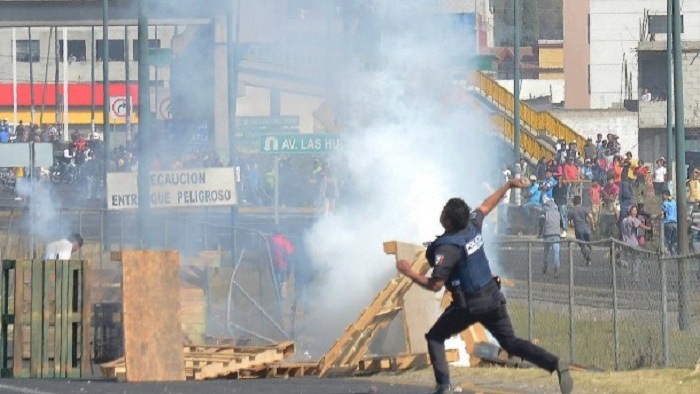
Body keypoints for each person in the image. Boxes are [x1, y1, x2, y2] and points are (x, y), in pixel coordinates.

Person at [395, 179, 573, 394]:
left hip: (469, 305)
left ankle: (443, 385)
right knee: (512, 343)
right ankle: (555, 364)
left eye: (444, 213)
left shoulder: (448, 246)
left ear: (448, 221)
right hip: (492, 297)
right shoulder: (472, 226)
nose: (441, 214)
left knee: (435, 337)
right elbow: (487, 206)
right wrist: (507, 186)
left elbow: (436, 285)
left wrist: (409, 272)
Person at [569, 196, 595, 266]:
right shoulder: (585, 208)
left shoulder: (572, 210)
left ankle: (588, 259)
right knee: (589, 242)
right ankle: (590, 247)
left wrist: (573, 226)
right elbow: (591, 217)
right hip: (586, 228)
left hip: (578, 229)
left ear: (574, 202)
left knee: (582, 245)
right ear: (580, 201)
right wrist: (593, 226)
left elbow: (570, 222)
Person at [269, 228, 294, 297]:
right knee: (283, 280)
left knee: (277, 280)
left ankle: (278, 294)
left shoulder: (272, 239)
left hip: (275, 264)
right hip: (284, 264)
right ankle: (283, 291)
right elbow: (290, 252)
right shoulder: (285, 240)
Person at [542, 195, 562, 277]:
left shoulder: (545, 212)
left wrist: (540, 232)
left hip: (547, 234)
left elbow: (541, 221)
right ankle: (557, 269)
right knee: (556, 253)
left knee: (546, 252)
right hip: (556, 234)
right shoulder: (558, 212)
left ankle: (545, 266)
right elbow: (560, 222)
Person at [659, 190, 678, 256]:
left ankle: (672, 254)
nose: (662, 196)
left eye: (663, 195)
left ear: (666, 196)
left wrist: (656, 217)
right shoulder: (674, 202)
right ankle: (674, 253)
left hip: (668, 222)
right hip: (675, 223)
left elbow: (662, 213)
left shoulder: (664, 203)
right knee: (674, 240)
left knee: (668, 239)